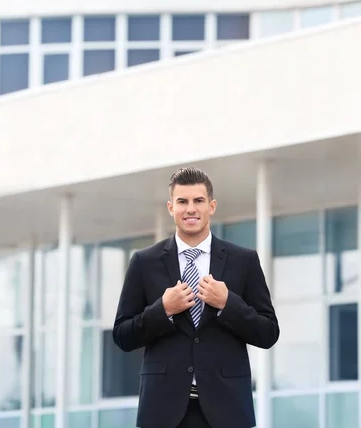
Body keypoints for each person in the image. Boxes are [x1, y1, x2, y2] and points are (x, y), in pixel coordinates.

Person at [113, 167, 279, 428]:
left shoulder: (243, 260)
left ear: (211, 206)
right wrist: (163, 309)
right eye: (182, 201)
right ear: (171, 207)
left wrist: (228, 304)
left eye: (198, 201)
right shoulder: (144, 263)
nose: (191, 209)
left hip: (227, 410)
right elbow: (122, 335)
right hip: (163, 411)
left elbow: (269, 332)